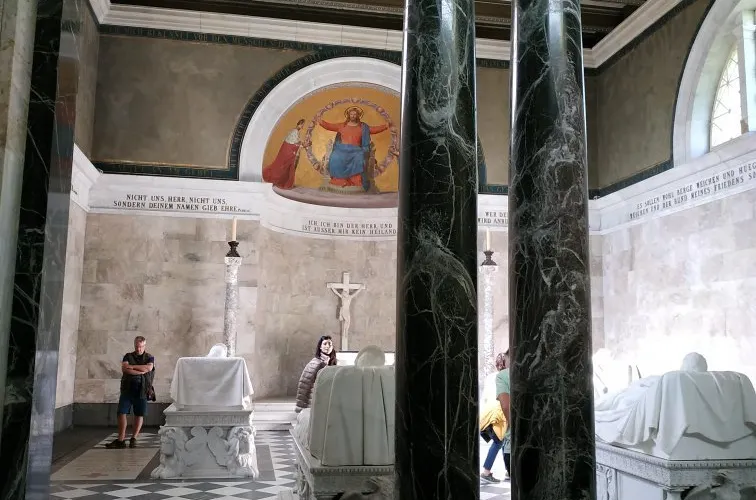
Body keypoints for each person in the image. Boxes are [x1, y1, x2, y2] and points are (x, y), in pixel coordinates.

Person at [316, 106, 389, 190]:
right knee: (335, 157)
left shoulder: (363, 127)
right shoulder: (342, 126)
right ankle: (340, 180)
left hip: (356, 150)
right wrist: (321, 122)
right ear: (348, 115)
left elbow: (373, 129)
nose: (353, 116)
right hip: (342, 149)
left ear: (358, 115)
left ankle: (355, 181)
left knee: (359, 157)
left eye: (355, 114)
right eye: (351, 114)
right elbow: (330, 126)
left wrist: (385, 126)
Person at [106, 336, 155, 449]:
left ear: (144, 346)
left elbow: (148, 369)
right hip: (127, 389)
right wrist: (140, 371)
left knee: (139, 414)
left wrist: (132, 367)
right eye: (137, 346)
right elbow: (125, 369)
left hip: (143, 389)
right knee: (121, 412)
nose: (139, 349)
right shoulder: (128, 356)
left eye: (141, 346)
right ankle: (121, 440)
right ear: (134, 345)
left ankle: (134, 438)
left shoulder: (150, 357)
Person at [480, 351, 510, 483]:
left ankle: (509, 470)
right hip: (498, 413)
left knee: (503, 441)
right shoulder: (505, 376)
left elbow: (485, 397)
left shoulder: (490, 377)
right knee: (499, 442)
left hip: (489, 413)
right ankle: (486, 472)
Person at [294, 335, 337, 413]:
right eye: (325, 344)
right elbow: (304, 385)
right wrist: (300, 406)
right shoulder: (315, 363)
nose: (327, 346)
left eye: (330, 344)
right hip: (314, 404)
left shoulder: (332, 363)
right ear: (320, 346)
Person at [262, 118, 305, 189]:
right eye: (302, 125)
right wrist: (302, 145)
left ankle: (285, 182)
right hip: (288, 152)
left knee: (286, 167)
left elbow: (296, 142)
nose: (302, 126)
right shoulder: (294, 132)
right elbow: (292, 143)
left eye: (303, 125)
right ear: (299, 124)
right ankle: (283, 182)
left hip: (289, 151)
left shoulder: (296, 132)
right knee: (283, 166)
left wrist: (301, 144)